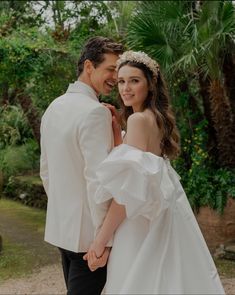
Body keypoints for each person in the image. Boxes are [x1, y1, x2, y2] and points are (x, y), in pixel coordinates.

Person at [84, 51, 225, 294]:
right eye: (121, 81)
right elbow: (138, 166)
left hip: (140, 222)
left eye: (134, 81)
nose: (125, 88)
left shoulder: (139, 120)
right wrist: (119, 132)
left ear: (150, 85)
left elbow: (126, 194)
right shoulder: (155, 118)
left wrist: (100, 240)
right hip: (164, 214)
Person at [40, 36, 123, 295]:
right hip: (89, 239)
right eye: (110, 69)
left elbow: (46, 172)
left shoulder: (54, 107)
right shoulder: (94, 112)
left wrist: (64, 211)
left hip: (62, 231)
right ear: (89, 66)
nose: (115, 77)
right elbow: (99, 181)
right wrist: (103, 241)